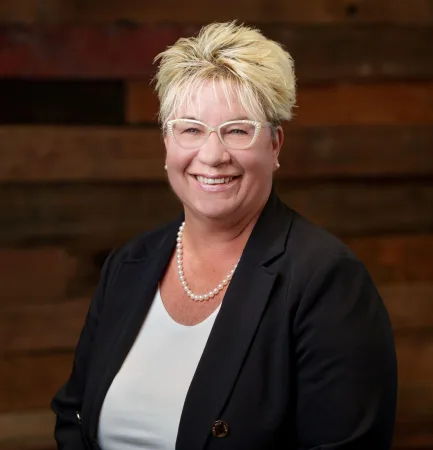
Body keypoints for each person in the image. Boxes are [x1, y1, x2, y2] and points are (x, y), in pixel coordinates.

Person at [51, 21, 397, 450]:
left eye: (237, 130)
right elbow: (73, 415)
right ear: (167, 143)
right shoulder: (129, 264)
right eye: (191, 129)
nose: (213, 156)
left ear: (275, 145)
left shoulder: (327, 281)